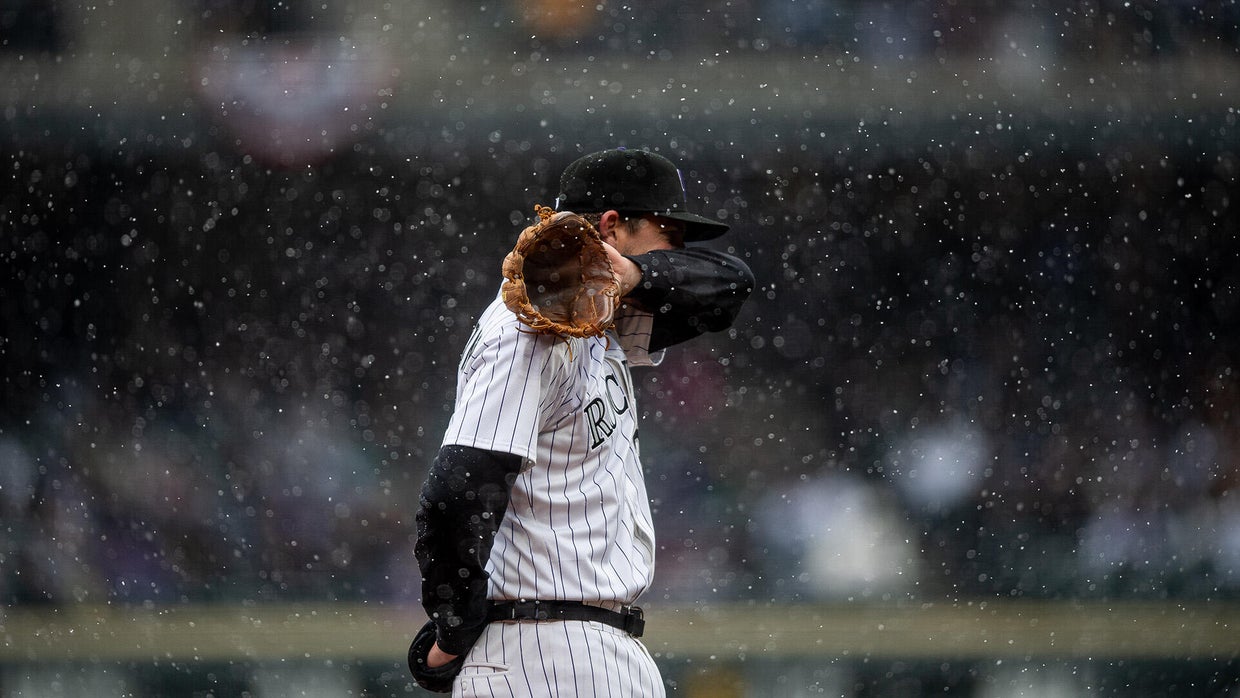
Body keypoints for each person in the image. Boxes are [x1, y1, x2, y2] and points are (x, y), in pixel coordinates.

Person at [412, 148, 754, 696]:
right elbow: (459, 488)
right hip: (543, 646)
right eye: (668, 233)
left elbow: (728, 287)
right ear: (613, 225)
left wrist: (635, 271)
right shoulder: (528, 327)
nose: (677, 251)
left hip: (588, 645)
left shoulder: (598, 317)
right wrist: (453, 633)